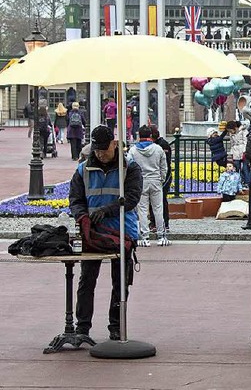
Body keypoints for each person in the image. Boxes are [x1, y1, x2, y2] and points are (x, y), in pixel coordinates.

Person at [68, 125, 142, 340]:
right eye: (97, 150)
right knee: (86, 280)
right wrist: (82, 217)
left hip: (122, 232)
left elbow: (132, 198)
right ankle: (82, 328)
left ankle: (116, 327)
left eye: (104, 150)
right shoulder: (83, 169)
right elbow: (75, 199)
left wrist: (107, 210)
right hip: (92, 233)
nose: (101, 154)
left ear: (114, 144)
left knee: (120, 283)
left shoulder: (130, 168)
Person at [128, 125, 168, 247]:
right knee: (158, 209)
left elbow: (129, 165)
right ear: (150, 135)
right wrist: (161, 178)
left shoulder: (133, 150)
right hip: (155, 180)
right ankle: (161, 236)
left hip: (141, 181)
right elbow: (164, 167)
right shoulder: (158, 149)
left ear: (139, 135)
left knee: (142, 210)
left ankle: (145, 237)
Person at [149, 125, 172, 236]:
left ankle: (164, 223)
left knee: (161, 201)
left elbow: (165, 164)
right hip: (155, 177)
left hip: (163, 177)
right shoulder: (155, 145)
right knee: (152, 201)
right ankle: (154, 222)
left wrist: (163, 178)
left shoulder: (162, 145)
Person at [226, 121, 249, 187]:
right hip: (236, 152)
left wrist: (244, 152)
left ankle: (247, 182)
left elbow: (246, 142)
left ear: (235, 128)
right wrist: (232, 153)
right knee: (236, 168)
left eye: (230, 131)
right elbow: (232, 144)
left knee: (245, 168)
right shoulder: (231, 134)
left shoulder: (243, 131)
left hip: (243, 151)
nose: (230, 132)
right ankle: (237, 182)